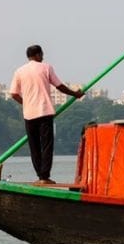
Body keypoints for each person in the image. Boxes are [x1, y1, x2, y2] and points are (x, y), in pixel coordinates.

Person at [9, 44, 83, 185]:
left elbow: (13, 93)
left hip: (29, 114)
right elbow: (59, 86)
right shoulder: (46, 67)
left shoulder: (19, 71)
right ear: (37, 55)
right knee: (47, 145)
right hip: (44, 111)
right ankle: (45, 177)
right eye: (41, 55)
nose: (42, 57)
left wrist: (26, 103)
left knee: (34, 146)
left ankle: (40, 176)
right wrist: (76, 94)